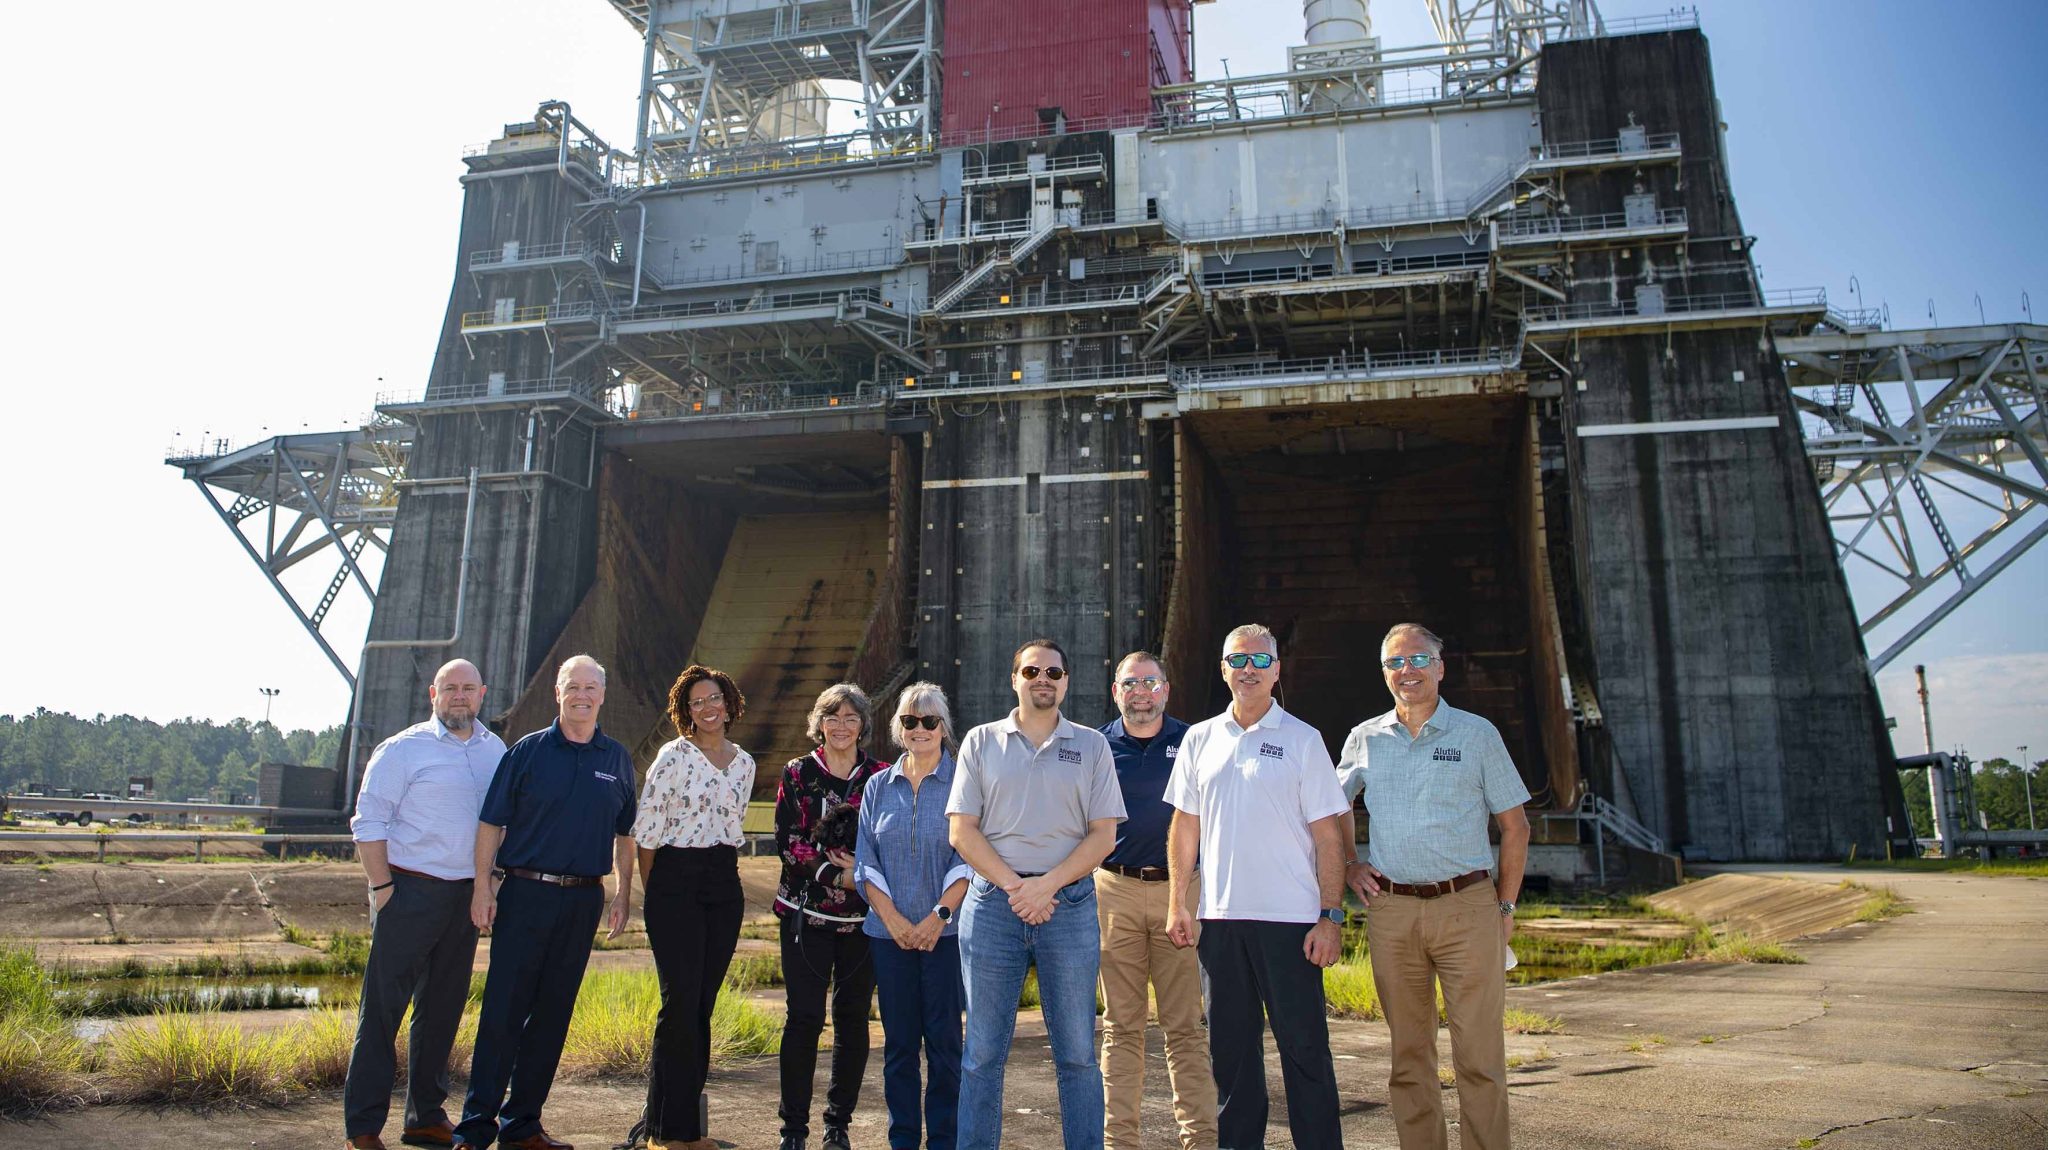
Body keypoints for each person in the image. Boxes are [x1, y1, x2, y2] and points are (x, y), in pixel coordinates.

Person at [1338, 624, 1531, 1150]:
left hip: (1467, 906)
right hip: (1392, 910)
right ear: (1384, 674)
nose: (1408, 671)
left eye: (1418, 659)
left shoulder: (1477, 734)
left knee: (1480, 1057)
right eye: (1395, 663)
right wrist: (1351, 863)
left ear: (1440, 668)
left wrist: (1506, 904)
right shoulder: (1365, 737)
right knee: (1409, 1056)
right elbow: (1331, 810)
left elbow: (1516, 826)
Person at [1164, 625, 1350, 1150]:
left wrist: (1330, 916)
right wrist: (1180, 902)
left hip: (1291, 923)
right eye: (1238, 659)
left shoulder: (1303, 739)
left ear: (1276, 670)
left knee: (1306, 1055)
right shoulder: (1199, 738)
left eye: (1260, 659)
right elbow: (1184, 826)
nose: (1249, 668)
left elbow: (1328, 836)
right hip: (1220, 922)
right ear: (1223, 668)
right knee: (1233, 1060)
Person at [947, 638, 1126, 1150]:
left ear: (1067, 681)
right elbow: (962, 831)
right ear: (1014, 679)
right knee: (982, 1054)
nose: (1041, 679)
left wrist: (1046, 886)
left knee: (1076, 1054)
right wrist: (1015, 887)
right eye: (1031, 671)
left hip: (1067, 905)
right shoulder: (981, 742)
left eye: (1052, 671)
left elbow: (1103, 835)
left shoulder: (1092, 746)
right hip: (992, 907)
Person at [455, 654, 637, 1150]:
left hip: (582, 901)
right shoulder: (528, 752)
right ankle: (474, 1128)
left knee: (553, 1015)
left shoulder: (616, 758)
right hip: (525, 894)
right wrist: (480, 888)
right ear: (558, 693)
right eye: (572, 686)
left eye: (590, 687)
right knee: (502, 1012)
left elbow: (625, 833)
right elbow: (491, 823)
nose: (581, 694)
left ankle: (523, 1126)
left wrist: (623, 892)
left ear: (602, 695)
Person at [344, 658, 506, 1150]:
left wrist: (490, 882)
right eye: (450, 688)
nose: (460, 696)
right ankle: (364, 1129)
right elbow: (367, 822)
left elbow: (503, 823)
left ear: (481, 695)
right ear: (433, 695)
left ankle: (425, 1118)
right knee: (382, 1013)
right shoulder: (402, 750)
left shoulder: (495, 750)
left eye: (468, 689)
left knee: (441, 1012)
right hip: (408, 891)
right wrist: (382, 889)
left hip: (466, 896)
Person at [1095, 652, 1217, 1150]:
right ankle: (1119, 1142)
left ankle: (1201, 1140)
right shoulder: (1096, 747)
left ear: (1166, 689)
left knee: (1185, 1026)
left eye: (1150, 682)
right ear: (1116, 691)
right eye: (1130, 683)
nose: (1140, 691)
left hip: (1181, 892)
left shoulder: (1196, 741)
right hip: (1113, 892)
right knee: (1120, 1026)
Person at [634, 664, 757, 1150]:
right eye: (696, 703)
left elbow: (733, 824)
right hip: (674, 880)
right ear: (686, 712)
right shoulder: (674, 756)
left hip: (724, 883)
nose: (707, 708)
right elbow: (646, 831)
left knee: (701, 1007)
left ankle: (683, 1128)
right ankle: (666, 1132)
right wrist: (657, 890)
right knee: (679, 1004)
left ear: (728, 702)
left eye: (714, 699)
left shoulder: (745, 764)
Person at [854, 682, 972, 1150]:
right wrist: (897, 922)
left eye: (929, 721)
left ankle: (944, 1139)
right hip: (890, 938)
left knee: (945, 1047)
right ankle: (902, 1138)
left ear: (944, 728)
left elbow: (968, 854)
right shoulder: (877, 786)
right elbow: (866, 861)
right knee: (899, 1048)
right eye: (909, 721)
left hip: (946, 936)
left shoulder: (965, 780)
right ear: (898, 729)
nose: (919, 729)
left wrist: (936, 917)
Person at [774, 684, 887, 1150]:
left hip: (864, 920)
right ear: (819, 723)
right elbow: (788, 839)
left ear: (863, 725)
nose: (842, 726)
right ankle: (793, 1130)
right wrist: (833, 875)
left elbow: (891, 839)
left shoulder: (881, 776)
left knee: (853, 1019)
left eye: (851, 718)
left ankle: (837, 1124)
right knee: (802, 1018)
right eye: (833, 717)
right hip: (806, 914)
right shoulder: (799, 773)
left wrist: (862, 871)